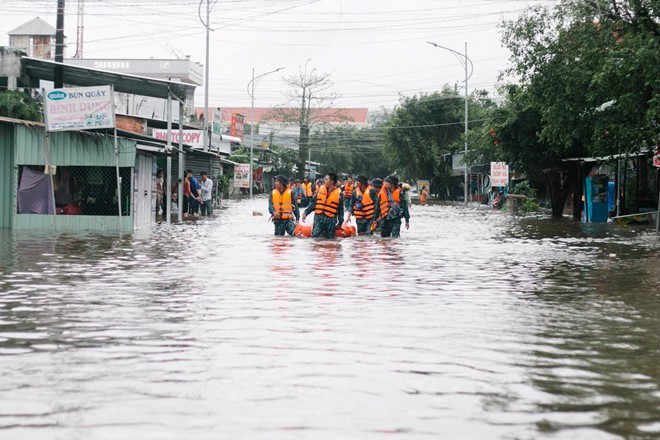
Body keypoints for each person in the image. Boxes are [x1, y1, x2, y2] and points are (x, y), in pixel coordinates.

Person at [302, 173, 344, 239]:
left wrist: (340, 223)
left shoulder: (339, 194)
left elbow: (341, 210)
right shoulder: (320, 191)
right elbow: (313, 203)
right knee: (315, 239)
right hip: (318, 219)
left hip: (330, 221)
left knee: (330, 241)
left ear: (332, 181)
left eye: (326, 179)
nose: (324, 181)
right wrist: (305, 213)